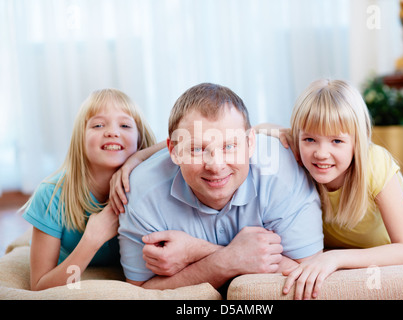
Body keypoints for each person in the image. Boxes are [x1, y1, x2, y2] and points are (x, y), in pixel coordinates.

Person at [118, 83, 324, 291]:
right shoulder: (143, 190)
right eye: (197, 149)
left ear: (250, 143)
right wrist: (227, 260)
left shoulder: (282, 170)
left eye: (229, 146)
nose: (216, 166)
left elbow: (306, 273)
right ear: (174, 150)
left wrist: (197, 251)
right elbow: (141, 290)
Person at [256, 79, 403, 300]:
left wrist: (334, 258)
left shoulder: (374, 163)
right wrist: (283, 133)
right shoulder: (299, 156)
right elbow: (255, 130)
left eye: (336, 141)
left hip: (377, 217)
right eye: (310, 138)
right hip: (346, 221)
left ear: (357, 142)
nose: (321, 153)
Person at [21, 89, 157, 291]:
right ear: (81, 139)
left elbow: (179, 142)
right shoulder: (50, 195)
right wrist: (93, 239)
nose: (112, 132)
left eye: (125, 125)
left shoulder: (151, 188)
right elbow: (40, 287)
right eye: (98, 125)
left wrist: (138, 158)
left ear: (140, 140)